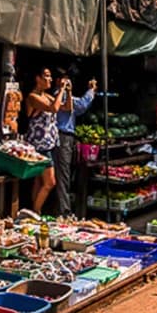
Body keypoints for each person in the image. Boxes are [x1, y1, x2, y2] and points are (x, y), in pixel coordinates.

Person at [52, 68, 95, 215]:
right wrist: (91, 91)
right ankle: (64, 211)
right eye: (64, 79)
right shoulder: (58, 95)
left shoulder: (65, 94)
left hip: (66, 137)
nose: (67, 82)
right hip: (61, 136)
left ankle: (61, 208)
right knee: (62, 173)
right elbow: (79, 106)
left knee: (63, 173)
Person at [25, 68, 61, 213]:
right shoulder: (33, 97)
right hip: (39, 143)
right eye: (46, 76)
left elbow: (66, 107)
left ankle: (34, 210)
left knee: (39, 181)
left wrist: (67, 92)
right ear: (37, 78)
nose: (50, 79)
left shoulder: (47, 96)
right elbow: (54, 108)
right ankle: (36, 211)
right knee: (50, 182)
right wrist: (62, 89)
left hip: (49, 142)